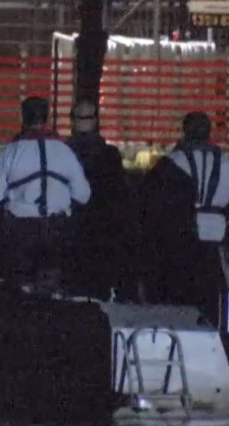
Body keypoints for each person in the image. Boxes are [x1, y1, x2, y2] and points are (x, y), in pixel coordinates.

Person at [139, 111, 229, 320]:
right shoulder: (226, 164)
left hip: (181, 235)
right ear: (209, 132)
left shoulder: (173, 161)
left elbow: (150, 200)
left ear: (184, 130)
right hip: (218, 235)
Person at [0, 96, 91, 290]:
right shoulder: (64, 151)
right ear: (47, 118)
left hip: (20, 232)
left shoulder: (11, 152)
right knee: (52, 284)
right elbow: (83, 195)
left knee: (21, 287)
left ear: (23, 118)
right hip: (57, 230)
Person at [65, 99, 133, 299]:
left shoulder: (64, 153)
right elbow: (121, 195)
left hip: (72, 228)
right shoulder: (110, 154)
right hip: (104, 231)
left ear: (72, 122)